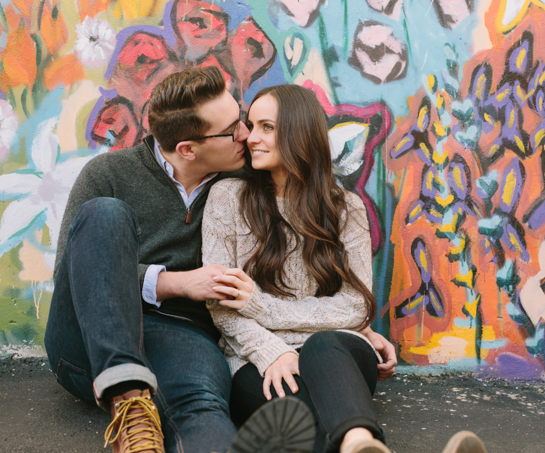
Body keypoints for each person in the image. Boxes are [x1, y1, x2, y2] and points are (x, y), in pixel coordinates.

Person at [44, 66, 317, 453]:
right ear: (188, 148)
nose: (246, 134)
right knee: (106, 213)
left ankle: (141, 420)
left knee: (203, 413)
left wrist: (351, 324)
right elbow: (72, 273)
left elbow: (305, 252)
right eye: (232, 129)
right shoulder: (109, 173)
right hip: (87, 343)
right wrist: (177, 283)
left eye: (241, 119)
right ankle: (127, 393)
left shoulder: (244, 182)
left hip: (183, 336)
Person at [201, 85, 485, 453]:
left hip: (337, 355)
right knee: (302, 419)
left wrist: (261, 306)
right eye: (251, 126)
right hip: (256, 358)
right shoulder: (228, 197)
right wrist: (272, 351)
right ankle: (359, 442)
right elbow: (222, 307)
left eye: (266, 127)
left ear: (298, 131)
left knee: (322, 345)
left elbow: (355, 306)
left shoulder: (345, 208)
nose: (251, 138)